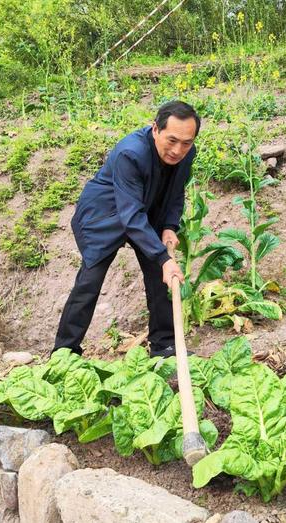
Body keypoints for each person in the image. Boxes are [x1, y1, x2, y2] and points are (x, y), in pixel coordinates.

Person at [53, 100, 200, 358]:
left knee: (160, 275)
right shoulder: (130, 153)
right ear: (155, 129)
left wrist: (169, 226)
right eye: (172, 140)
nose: (178, 150)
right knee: (90, 280)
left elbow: (177, 192)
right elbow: (129, 215)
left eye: (186, 143)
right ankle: (65, 353)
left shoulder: (187, 152)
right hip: (104, 215)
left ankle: (164, 346)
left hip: (145, 209)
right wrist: (163, 257)